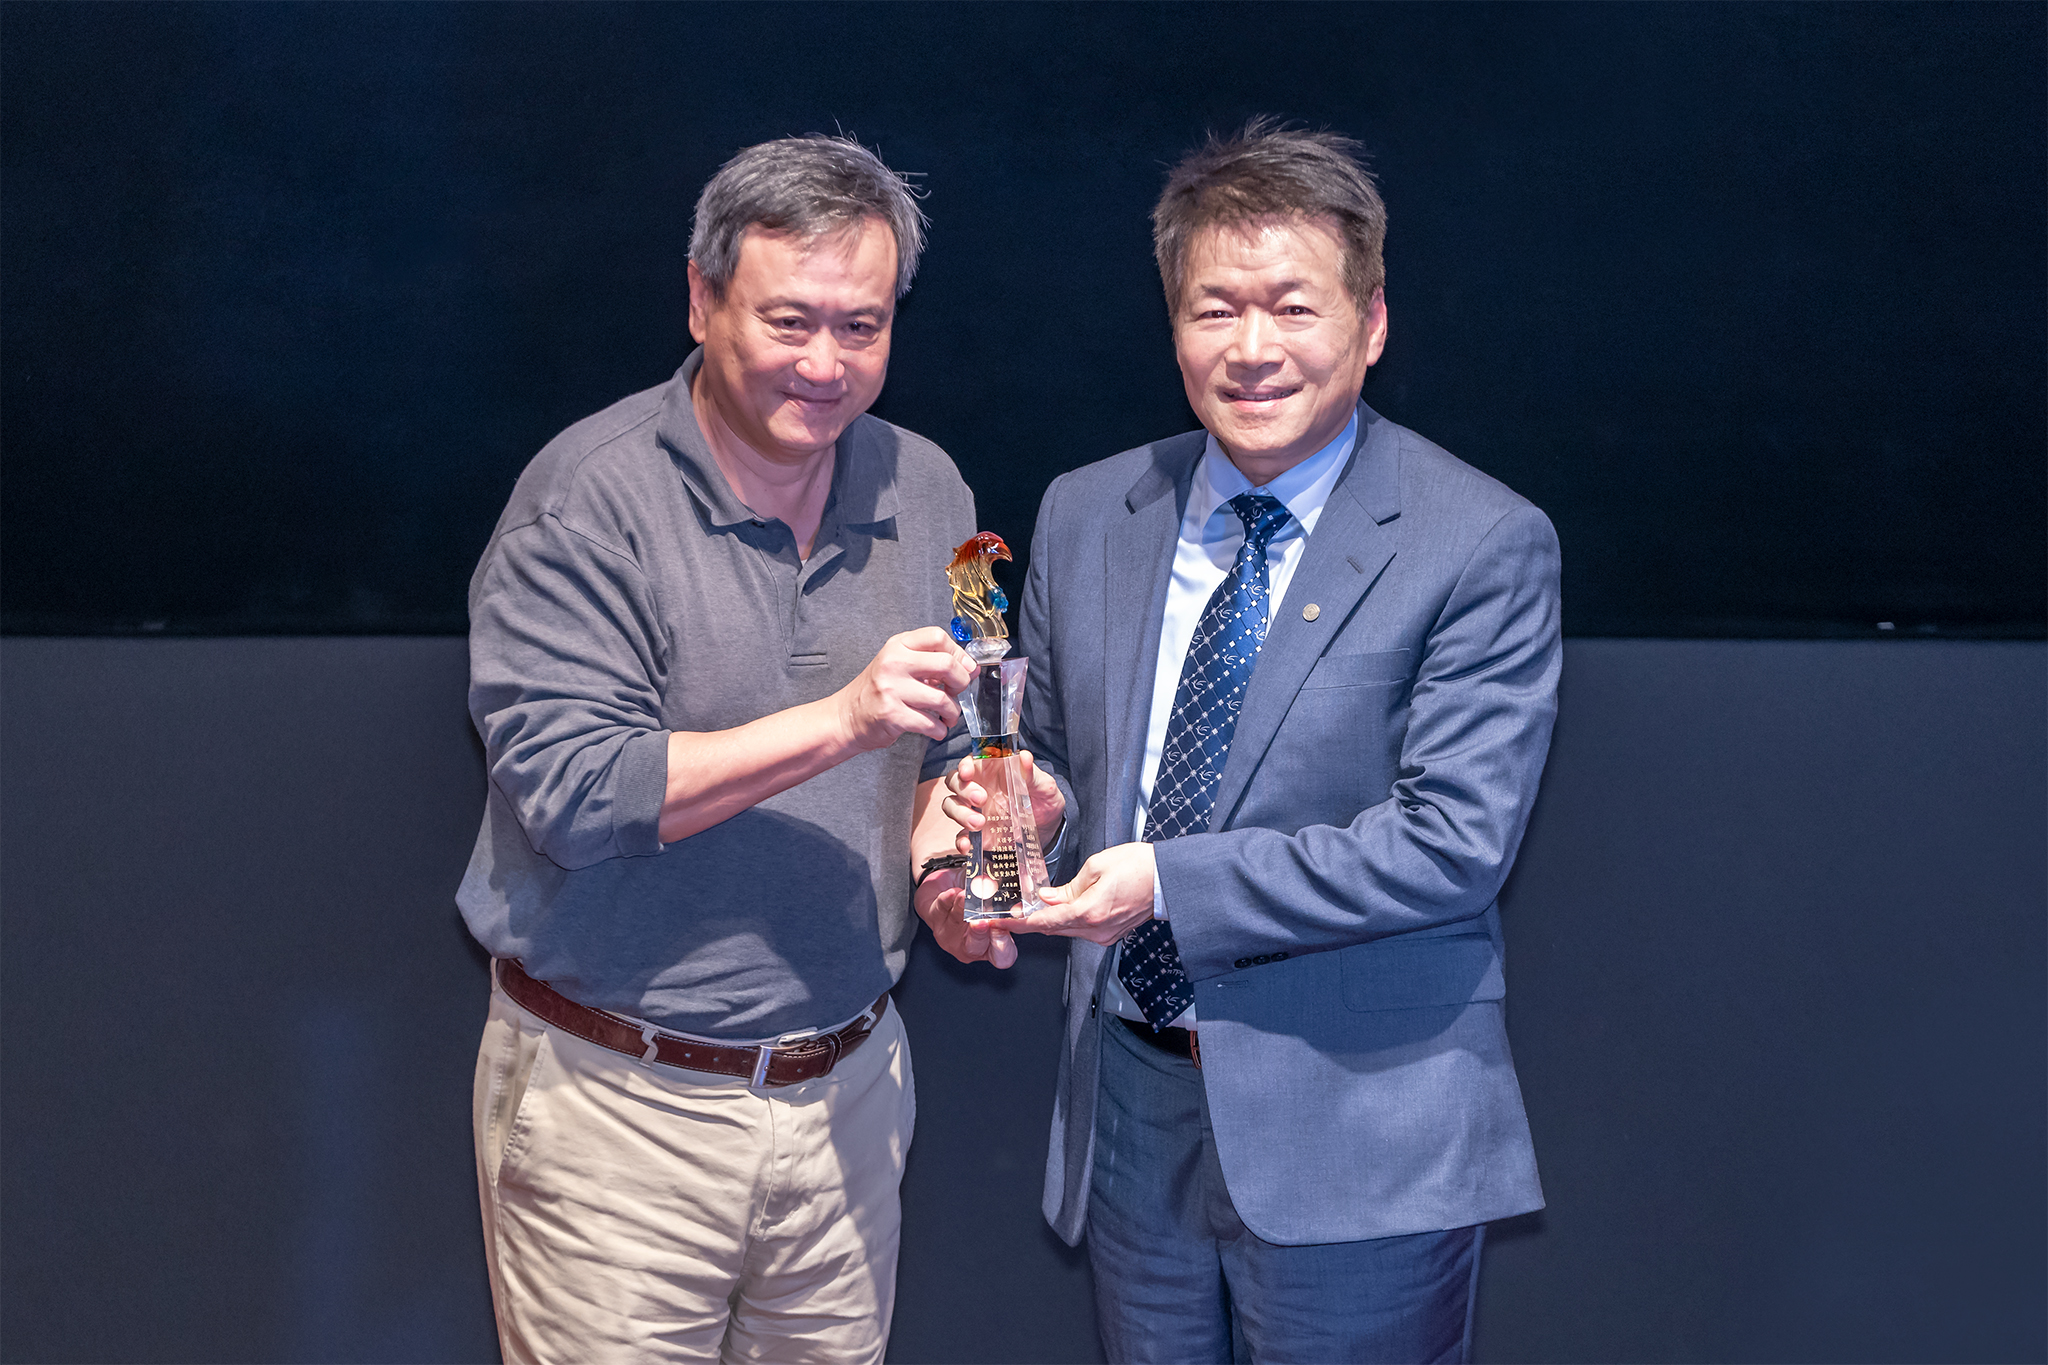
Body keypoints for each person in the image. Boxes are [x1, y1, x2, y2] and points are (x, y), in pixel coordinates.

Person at [925, 120, 1559, 1363]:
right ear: (1172, 328)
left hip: (1357, 1123)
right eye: (1214, 309)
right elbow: (1043, 754)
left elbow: (1451, 844)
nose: (1252, 348)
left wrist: (1165, 880)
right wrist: (1023, 811)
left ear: (1371, 324)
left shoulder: (1479, 541)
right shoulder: (1089, 510)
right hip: (1130, 1101)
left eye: (1291, 307)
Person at [459, 134, 980, 1365]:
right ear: (700, 302)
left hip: (850, 1094)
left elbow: (947, 749)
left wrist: (961, 865)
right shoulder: (584, 504)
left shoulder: (932, 491)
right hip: (618, 1109)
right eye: (788, 321)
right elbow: (576, 797)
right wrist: (843, 719)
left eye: (860, 327)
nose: (824, 364)